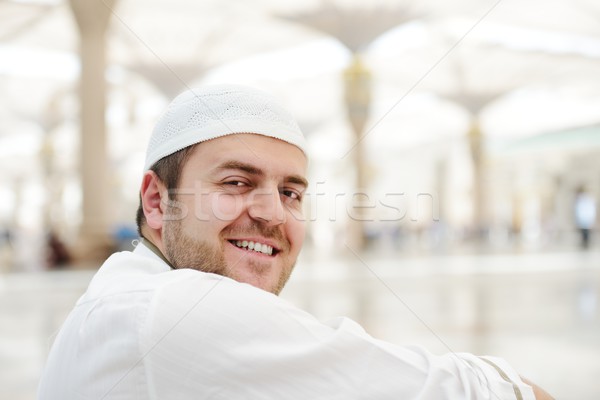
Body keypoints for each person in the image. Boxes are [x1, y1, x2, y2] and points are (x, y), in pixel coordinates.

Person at [37, 84, 553, 399]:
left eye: (290, 192)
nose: (269, 214)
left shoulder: (122, 298)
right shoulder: (171, 309)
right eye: (236, 183)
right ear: (156, 201)